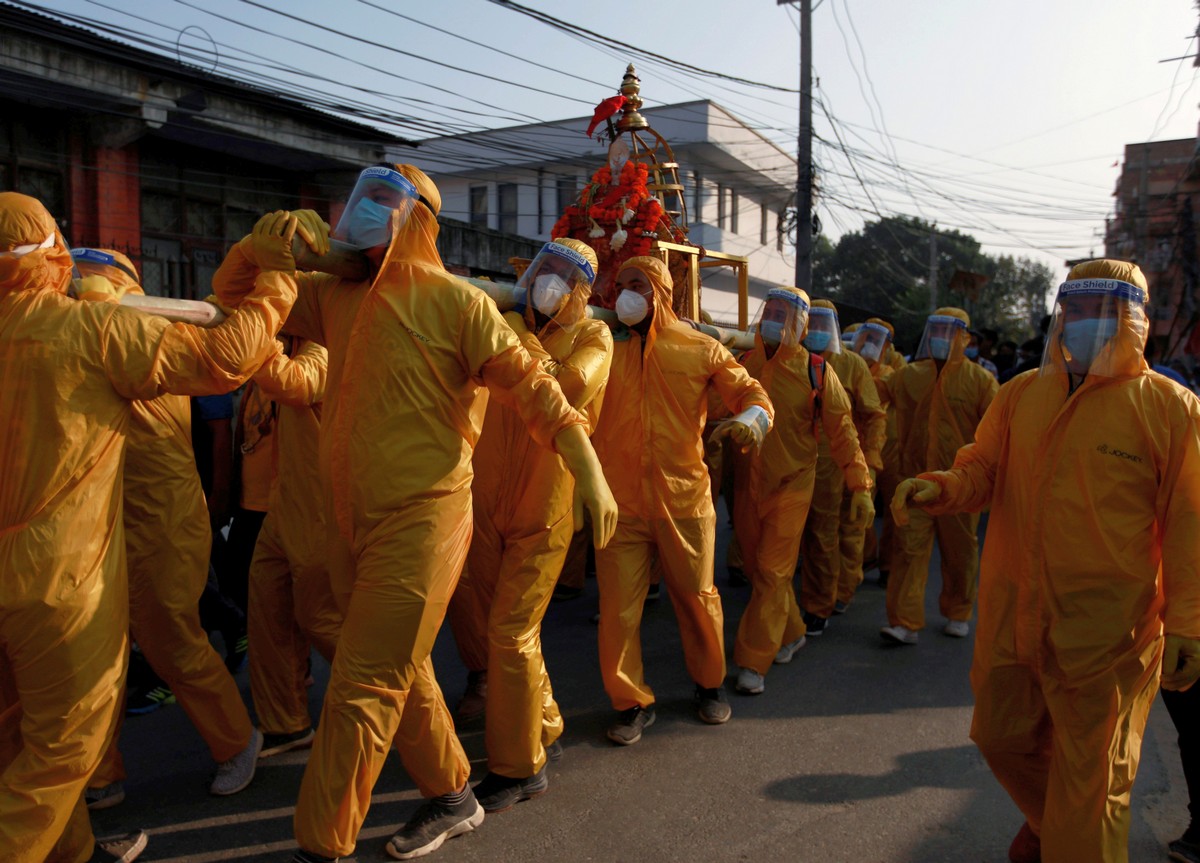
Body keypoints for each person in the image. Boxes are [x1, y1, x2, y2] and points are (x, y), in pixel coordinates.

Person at [212, 164, 617, 863]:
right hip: (351, 522)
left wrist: (586, 463)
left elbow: (533, 386)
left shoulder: (456, 304)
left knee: (362, 684)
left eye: (383, 201)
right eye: (361, 197)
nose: (364, 211)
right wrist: (258, 248)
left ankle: (321, 845)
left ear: (417, 221)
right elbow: (233, 306)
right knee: (403, 670)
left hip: (424, 523)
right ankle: (454, 792)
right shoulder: (335, 297)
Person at [0, 192, 295, 863]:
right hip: (64, 568)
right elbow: (226, 355)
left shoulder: (95, 330)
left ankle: (229, 742)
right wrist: (278, 278)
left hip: (138, 532)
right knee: (58, 742)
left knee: (152, 648)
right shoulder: (95, 332)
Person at [892, 260, 1200, 862]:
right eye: (1074, 312)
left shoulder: (1170, 408)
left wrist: (1189, 621)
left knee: (1093, 788)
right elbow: (982, 467)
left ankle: (1068, 836)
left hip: (1109, 633)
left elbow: (1191, 523)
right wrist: (943, 487)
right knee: (1001, 738)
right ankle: (1049, 824)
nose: (1082, 325)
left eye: (1100, 313)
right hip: (1015, 617)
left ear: (1133, 321)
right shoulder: (1020, 395)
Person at [70, 249, 265, 812]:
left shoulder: (137, 333)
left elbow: (221, 387)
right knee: (94, 652)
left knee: (173, 640)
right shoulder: (82, 334)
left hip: (163, 517)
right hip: (98, 517)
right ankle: (99, 773)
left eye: (92, 283)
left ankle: (236, 741)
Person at [446, 238, 612, 812]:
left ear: (582, 291)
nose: (551, 281)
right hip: (487, 498)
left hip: (546, 506)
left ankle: (519, 769)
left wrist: (514, 335)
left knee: (510, 632)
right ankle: (544, 725)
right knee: (507, 630)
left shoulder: (594, 336)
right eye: (546, 269)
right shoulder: (501, 318)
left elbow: (565, 389)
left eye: (566, 276)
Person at [589, 255, 773, 744]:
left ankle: (709, 685)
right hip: (620, 503)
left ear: (661, 292)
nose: (624, 293)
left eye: (637, 284)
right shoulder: (602, 347)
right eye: (620, 285)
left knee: (697, 599)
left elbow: (752, 392)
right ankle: (630, 701)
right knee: (618, 609)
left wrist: (750, 419)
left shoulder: (698, 348)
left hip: (684, 501)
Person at [729, 288, 872, 695]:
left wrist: (860, 484)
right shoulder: (744, 363)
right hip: (748, 484)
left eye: (783, 313)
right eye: (769, 310)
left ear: (802, 325)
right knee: (759, 570)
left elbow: (843, 432)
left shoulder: (818, 372)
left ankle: (753, 662)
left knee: (774, 573)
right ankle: (792, 632)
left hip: (793, 485)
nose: (773, 317)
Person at [246, 335, 341, 759]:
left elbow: (295, 383)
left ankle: (401, 704)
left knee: (322, 621)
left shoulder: (324, 348)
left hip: (319, 513)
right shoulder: (293, 345)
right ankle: (285, 723)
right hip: (284, 506)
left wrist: (254, 333)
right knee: (268, 611)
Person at [880, 307, 997, 645]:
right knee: (908, 550)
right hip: (914, 480)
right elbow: (871, 392)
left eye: (950, 331)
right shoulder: (910, 375)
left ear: (965, 338)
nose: (941, 338)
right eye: (937, 330)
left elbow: (998, 431)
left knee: (960, 552)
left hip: (961, 485)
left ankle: (958, 611)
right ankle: (904, 621)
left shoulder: (981, 382)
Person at [797, 300, 884, 635]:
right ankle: (792, 604)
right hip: (791, 463)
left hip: (835, 464)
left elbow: (874, 416)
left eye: (824, 323)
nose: (817, 330)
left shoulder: (852, 366)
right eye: (811, 322)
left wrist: (869, 462)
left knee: (826, 536)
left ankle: (822, 604)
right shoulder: (792, 361)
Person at [849, 318, 900, 596]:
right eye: (864, 336)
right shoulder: (851, 366)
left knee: (892, 509)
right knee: (860, 508)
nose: (869, 343)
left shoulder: (891, 373)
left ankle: (888, 566)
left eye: (876, 339)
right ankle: (864, 558)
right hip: (861, 446)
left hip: (889, 448)